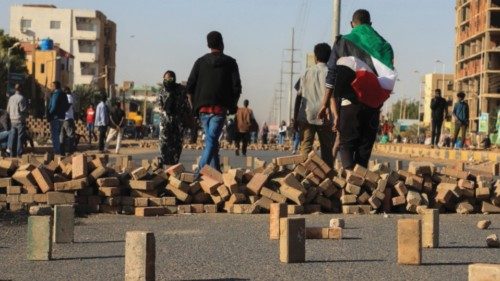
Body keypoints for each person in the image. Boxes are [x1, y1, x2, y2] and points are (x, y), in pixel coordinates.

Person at [317, 9, 396, 169]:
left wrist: (324, 104)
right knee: (364, 147)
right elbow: (388, 76)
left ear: (352, 24)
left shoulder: (343, 42)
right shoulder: (385, 46)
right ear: (370, 24)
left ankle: (350, 179)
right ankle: (360, 181)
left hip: (350, 102)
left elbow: (332, 75)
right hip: (373, 105)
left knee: (346, 143)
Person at [187, 31, 241, 173]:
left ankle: (216, 173)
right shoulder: (230, 63)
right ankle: (199, 173)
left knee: (211, 142)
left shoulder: (199, 62)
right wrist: (233, 105)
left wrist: (194, 108)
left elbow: (190, 87)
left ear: (208, 45)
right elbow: (237, 87)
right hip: (219, 109)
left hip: (202, 110)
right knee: (211, 143)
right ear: (222, 43)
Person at [293, 43, 334, 166]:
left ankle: (304, 175)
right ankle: (328, 178)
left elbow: (299, 97)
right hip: (325, 116)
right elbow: (334, 98)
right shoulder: (331, 73)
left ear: (315, 57)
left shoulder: (305, 73)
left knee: (306, 147)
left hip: (307, 115)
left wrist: (295, 117)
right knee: (327, 149)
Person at [158, 70, 190, 165]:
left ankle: (174, 165)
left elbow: (186, 105)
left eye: (170, 78)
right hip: (165, 121)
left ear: (174, 79)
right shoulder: (162, 90)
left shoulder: (181, 89)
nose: (168, 80)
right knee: (164, 143)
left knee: (177, 144)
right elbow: (160, 106)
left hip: (178, 121)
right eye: (165, 78)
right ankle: (165, 163)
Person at [48, 81, 69, 155]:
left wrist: (49, 114)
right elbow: (67, 106)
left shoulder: (56, 94)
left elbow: (53, 106)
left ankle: (57, 151)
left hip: (55, 117)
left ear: (54, 86)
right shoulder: (64, 94)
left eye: (51, 86)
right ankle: (59, 150)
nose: (50, 88)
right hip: (62, 117)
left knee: (55, 135)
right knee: (59, 134)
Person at [6, 84, 27, 157]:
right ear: (20, 89)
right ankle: (19, 153)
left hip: (12, 120)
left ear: (15, 89)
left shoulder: (11, 98)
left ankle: (12, 153)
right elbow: (22, 110)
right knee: (20, 137)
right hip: (20, 120)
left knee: (13, 137)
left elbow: (8, 110)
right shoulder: (22, 98)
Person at [60, 87, 76, 155]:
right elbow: (68, 106)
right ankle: (70, 151)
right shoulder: (69, 97)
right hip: (68, 118)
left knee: (62, 136)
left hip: (61, 119)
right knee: (71, 135)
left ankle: (62, 152)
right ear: (67, 91)